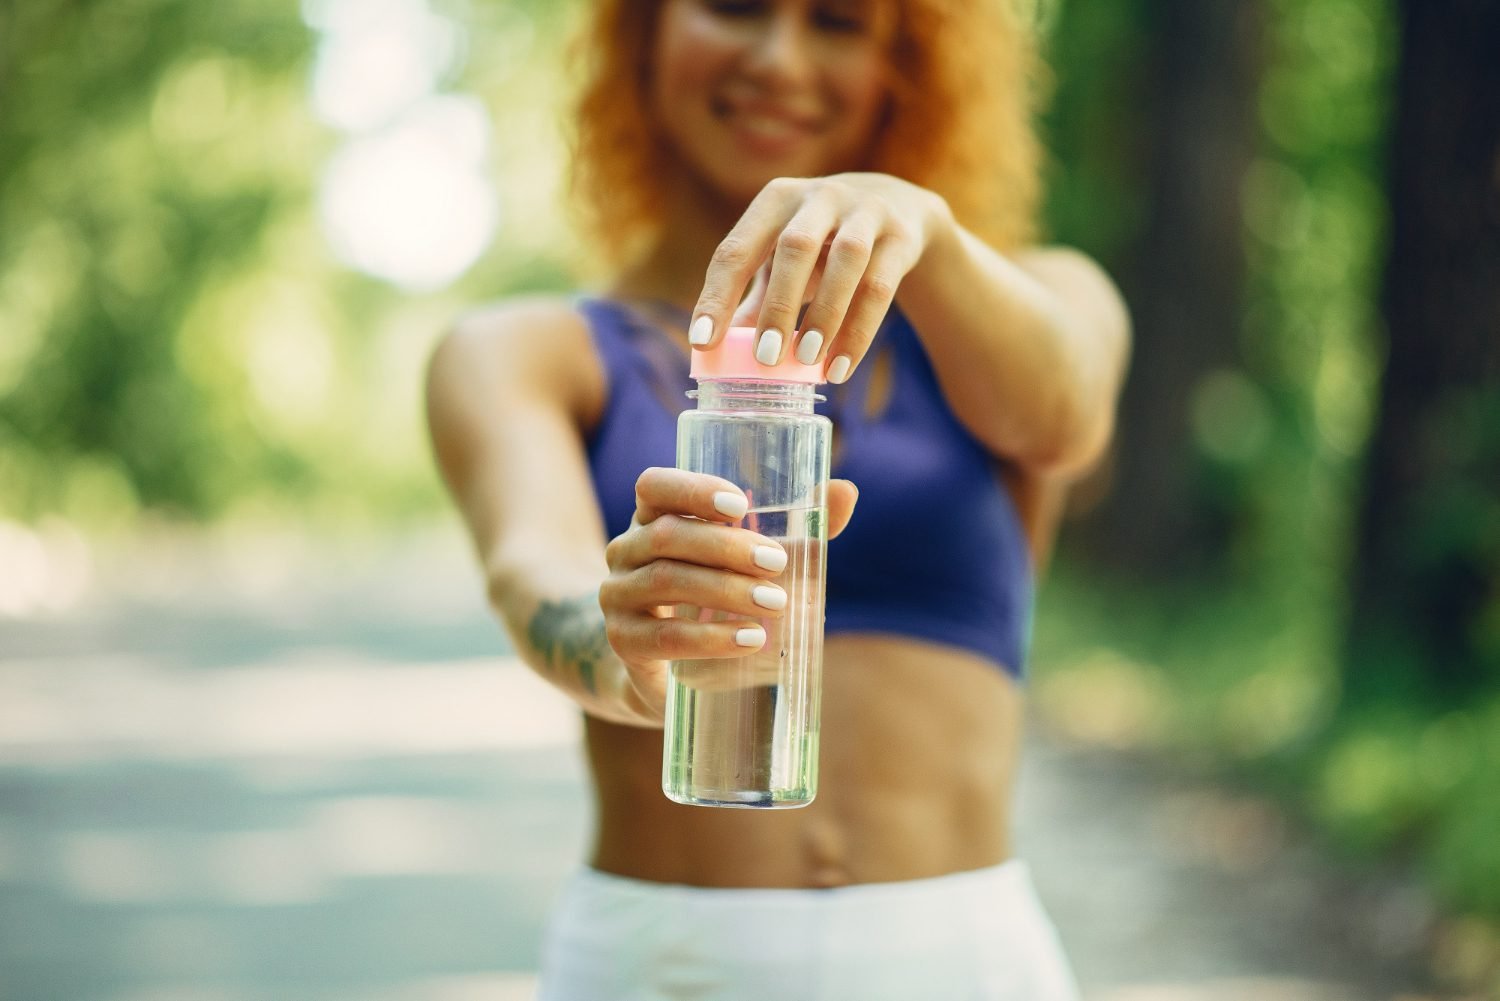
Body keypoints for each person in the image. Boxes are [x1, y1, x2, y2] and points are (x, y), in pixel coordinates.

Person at [425, 0, 1129, 997]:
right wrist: (626, 650)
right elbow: (531, 573)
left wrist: (927, 229)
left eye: (837, 22)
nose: (780, 60)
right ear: (644, 30)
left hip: (964, 957)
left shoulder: (1029, 300)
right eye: (736, 5)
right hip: (663, 964)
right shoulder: (523, 352)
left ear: (904, 66)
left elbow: (1065, 418)